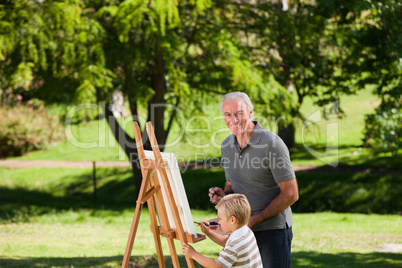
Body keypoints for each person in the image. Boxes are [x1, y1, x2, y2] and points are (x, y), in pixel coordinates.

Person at [209, 92, 299, 268]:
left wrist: (255, 219)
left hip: (273, 232)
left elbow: (291, 194)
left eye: (239, 113)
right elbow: (232, 186)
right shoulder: (226, 146)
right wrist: (224, 196)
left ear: (251, 113)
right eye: (227, 114)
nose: (233, 119)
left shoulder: (272, 144)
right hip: (241, 233)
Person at [181, 194, 263, 268]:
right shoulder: (246, 232)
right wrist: (209, 232)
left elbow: (217, 266)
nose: (218, 222)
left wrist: (193, 254)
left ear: (232, 220)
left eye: (220, 218)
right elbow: (226, 242)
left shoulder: (235, 245)